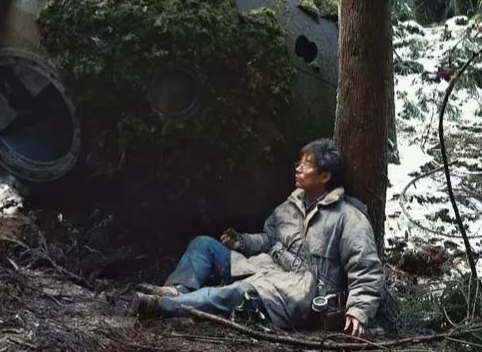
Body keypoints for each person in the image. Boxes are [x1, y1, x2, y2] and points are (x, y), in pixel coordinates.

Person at [133, 139, 384, 337]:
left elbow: (365, 268)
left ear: (325, 176)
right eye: (299, 163)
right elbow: (268, 239)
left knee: (232, 293)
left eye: (306, 165)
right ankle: (178, 291)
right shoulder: (290, 205)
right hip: (265, 268)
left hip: (297, 291)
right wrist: (242, 243)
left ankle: (161, 306)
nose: (298, 168)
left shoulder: (348, 217)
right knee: (203, 245)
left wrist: (358, 310)